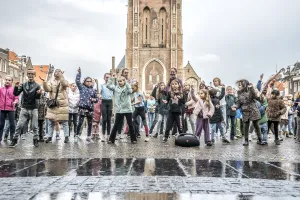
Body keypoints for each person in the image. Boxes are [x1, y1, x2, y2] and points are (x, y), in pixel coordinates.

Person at [9, 68, 42, 148]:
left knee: (34, 126)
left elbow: (37, 98)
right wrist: (16, 87)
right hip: (24, 108)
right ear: (27, 75)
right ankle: (15, 139)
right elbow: (16, 93)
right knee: (19, 125)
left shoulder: (37, 85)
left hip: (34, 108)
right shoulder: (23, 85)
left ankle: (35, 139)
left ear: (34, 75)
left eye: (32, 74)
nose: (30, 75)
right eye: (29, 74)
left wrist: (39, 93)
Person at [107, 74, 137, 144]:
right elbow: (108, 86)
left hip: (127, 109)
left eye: (121, 81)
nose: (120, 82)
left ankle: (133, 139)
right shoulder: (115, 88)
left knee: (130, 124)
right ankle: (111, 139)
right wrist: (111, 78)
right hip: (119, 109)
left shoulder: (127, 87)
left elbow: (130, 91)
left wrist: (127, 83)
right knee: (116, 125)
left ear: (124, 81)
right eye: (118, 81)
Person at [42, 69, 70, 144]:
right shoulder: (51, 81)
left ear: (61, 73)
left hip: (62, 105)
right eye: (56, 71)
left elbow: (65, 85)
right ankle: (49, 137)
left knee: (64, 122)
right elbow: (47, 89)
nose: (57, 72)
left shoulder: (64, 80)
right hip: (53, 104)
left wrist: (61, 77)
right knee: (51, 122)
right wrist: (44, 82)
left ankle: (66, 137)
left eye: (59, 71)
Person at [233, 80, 262, 146]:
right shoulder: (239, 93)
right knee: (245, 126)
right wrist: (235, 106)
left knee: (256, 125)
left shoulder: (250, 90)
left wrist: (251, 88)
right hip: (245, 111)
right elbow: (238, 102)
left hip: (253, 110)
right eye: (238, 85)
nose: (239, 86)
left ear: (244, 85)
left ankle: (260, 139)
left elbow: (254, 96)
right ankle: (246, 140)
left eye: (240, 85)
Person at [75, 67, 98, 143]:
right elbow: (77, 81)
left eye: (90, 81)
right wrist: (79, 74)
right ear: (84, 82)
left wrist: (93, 99)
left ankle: (88, 137)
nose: (89, 82)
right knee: (80, 122)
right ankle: (77, 135)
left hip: (90, 108)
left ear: (91, 82)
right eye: (87, 81)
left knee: (90, 123)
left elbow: (97, 99)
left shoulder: (93, 90)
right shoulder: (82, 88)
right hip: (83, 107)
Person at [163, 78, 185, 143]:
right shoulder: (170, 93)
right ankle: (166, 137)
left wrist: (180, 98)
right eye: (172, 84)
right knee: (168, 126)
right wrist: (165, 101)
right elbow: (167, 100)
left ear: (178, 85)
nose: (174, 85)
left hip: (178, 113)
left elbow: (184, 102)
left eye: (175, 84)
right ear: (171, 86)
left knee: (180, 126)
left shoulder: (181, 93)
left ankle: (182, 138)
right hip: (171, 112)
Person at [0, 75, 19, 143]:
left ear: (12, 82)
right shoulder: (1, 89)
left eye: (9, 80)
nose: (7, 81)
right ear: (4, 80)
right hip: (2, 108)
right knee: (1, 125)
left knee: (12, 125)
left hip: (11, 109)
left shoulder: (13, 89)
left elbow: (16, 98)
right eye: (6, 80)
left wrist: (15, 102)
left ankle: (12, 139)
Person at [100, 73, 113, 141]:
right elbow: (99, 92)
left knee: (109, 119)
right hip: (104, 102)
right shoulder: (102, 85)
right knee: (104, 119)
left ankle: (108, 135)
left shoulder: (112, 86)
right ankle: (103, 135)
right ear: (104, 78)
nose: (107, 79)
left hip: (110, 102)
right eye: (106, 77)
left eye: (109, 77)